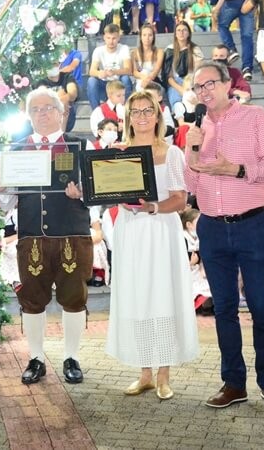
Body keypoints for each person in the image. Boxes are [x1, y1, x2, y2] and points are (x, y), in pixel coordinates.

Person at [184, 60, 264, 412]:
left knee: (261, 306)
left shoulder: (255, 117)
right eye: (198, 88)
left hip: (252, 224)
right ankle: (233, 383)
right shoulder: (196, 128)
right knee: (224, 308)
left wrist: (236, 169)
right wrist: (193, 149)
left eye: (209, 84)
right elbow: (191, 185)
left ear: (227, 83)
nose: (204, 92)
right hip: (212, 228)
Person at [0, 88, 92, 386]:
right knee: (32, 300)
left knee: (74, 298)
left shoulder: (79, 146)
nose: (43, 113)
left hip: (73, 235)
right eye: (36, 109)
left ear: (62, 113)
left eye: (49, 108)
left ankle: (71, 357)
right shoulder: (17, 150)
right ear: (29, 115)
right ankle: (36, 358)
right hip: (32, 236)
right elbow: (10, 202)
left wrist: (83, 193)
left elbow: (96, 193)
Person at [106, 90, 198, 400]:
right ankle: (144, 373)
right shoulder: (118, 151)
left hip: (160, 232)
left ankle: (164, 375)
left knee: (163, 296)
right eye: (136, 112)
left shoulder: (171, 152)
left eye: (148, 111)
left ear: (158, 116)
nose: (143, 116)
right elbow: (106, 191)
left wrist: (151, 208)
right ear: (128, 118)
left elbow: (180, 199)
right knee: (138, 298)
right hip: (130, 231)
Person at [216, 0, 257, 80]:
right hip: (248, 2)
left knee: (222, 25)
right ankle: (247, 68)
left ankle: (231, 49)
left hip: (232, 1)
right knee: (247, 36)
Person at [87, 24, 133, 109]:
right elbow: (92, 71)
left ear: (119, 38)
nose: (111, 41)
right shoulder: (98, 51)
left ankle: (126, 110)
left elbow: (129, 70)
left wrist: (114, 72)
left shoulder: (124, 48)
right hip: (105, 86)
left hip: (119, 83)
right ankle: (97, 112)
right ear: (104, 37)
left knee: (125, 78)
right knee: (91, 81)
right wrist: (100, 73)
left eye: (114, 38)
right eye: (108, 38)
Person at [163, 21, 204, 106]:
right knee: (175, 97)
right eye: (178, 30)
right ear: (175, 34)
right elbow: (169, 77)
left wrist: (189, 87)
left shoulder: (195, 50)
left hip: (191, 81)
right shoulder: (169, 50)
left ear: (188, 33)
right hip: (175, 83)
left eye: (184, 30)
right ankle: (179, 116)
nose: (181, 33)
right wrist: (181, 89)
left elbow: (197, 71)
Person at [182, 209, 213, 316]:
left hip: (195, 274)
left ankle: (191, 310)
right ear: (189, 224)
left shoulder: (200, 238)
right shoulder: (182, 238)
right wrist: (190, 263)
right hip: (184, 276)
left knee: (212, 288)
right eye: (198, 222)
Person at [131, 23, 164, 91]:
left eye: (150, 35)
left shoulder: (159, 52)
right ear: (140, 37)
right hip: (139, 80)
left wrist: (147, 79)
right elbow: (134, 72)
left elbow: (156, 71)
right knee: (144, 72)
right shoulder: (134, 53)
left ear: (153, 37)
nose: (147, 38)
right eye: (144, 35)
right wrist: (144, 77)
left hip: (154, 80)